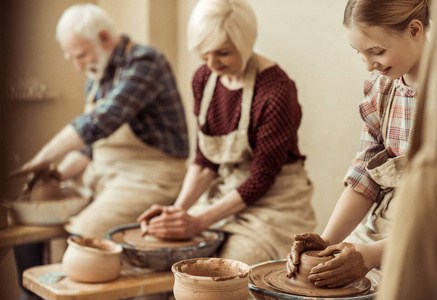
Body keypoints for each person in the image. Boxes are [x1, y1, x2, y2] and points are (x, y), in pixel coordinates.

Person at [13, 4, 189, 298]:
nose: (78, 65)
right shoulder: (98, 73)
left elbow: (99, 122)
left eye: (80, 55)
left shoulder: (145, 62)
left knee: (83, 237)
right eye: (72, 58)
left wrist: (43, 157)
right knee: (29, 226)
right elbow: (89, 150)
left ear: (105, 37)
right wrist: (52, 175)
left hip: (150, 177)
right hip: (105, 178)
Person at [138, 0, 317, 266]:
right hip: (224, 193)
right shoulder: (204, 78)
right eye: (204, 53)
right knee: (169, 257)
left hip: (275, 204)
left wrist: (198, 221)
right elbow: (204, 160)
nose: (212, 64)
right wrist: (177, 212)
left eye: (222, 53)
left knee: (231, 268)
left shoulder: (276, 92)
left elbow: (260, 179)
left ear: (245, 43)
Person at [286, 0, 430, 288]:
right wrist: (326, 240)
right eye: (360, 54)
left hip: (433, 232)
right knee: (321, 279)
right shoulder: (382, 89)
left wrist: (375, 255)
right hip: (386, 220)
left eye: (376, 51)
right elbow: (366, 176)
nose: (368, 66)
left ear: (414, 30)